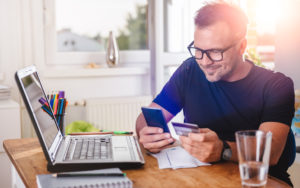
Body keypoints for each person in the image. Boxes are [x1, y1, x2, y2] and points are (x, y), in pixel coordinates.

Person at [136, 1, 296, 186]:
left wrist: (223, 150)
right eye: (198, 50)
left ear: (241, 47)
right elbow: (148, 117)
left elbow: (272, 152)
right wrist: (147, 132)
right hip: (202, 177)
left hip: (259, 181)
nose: (204, 61)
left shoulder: (276, 85)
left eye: (215, 51)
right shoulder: (190, 70)